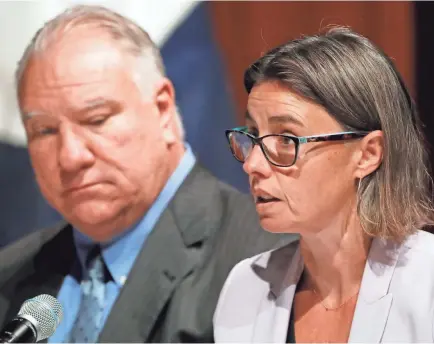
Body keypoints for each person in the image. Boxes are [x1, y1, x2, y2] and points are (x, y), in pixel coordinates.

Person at [0, 5, 293, 343]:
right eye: (44, 131)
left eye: (96, 120)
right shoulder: (11, 276)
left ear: (163, 109)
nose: (70, 157)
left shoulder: (271, 263)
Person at [213, 27, 434, 343]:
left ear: (368, 154)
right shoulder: (246, 287)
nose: (252, 165)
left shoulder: (428, 286)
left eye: (285, 139)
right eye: (252, 135)